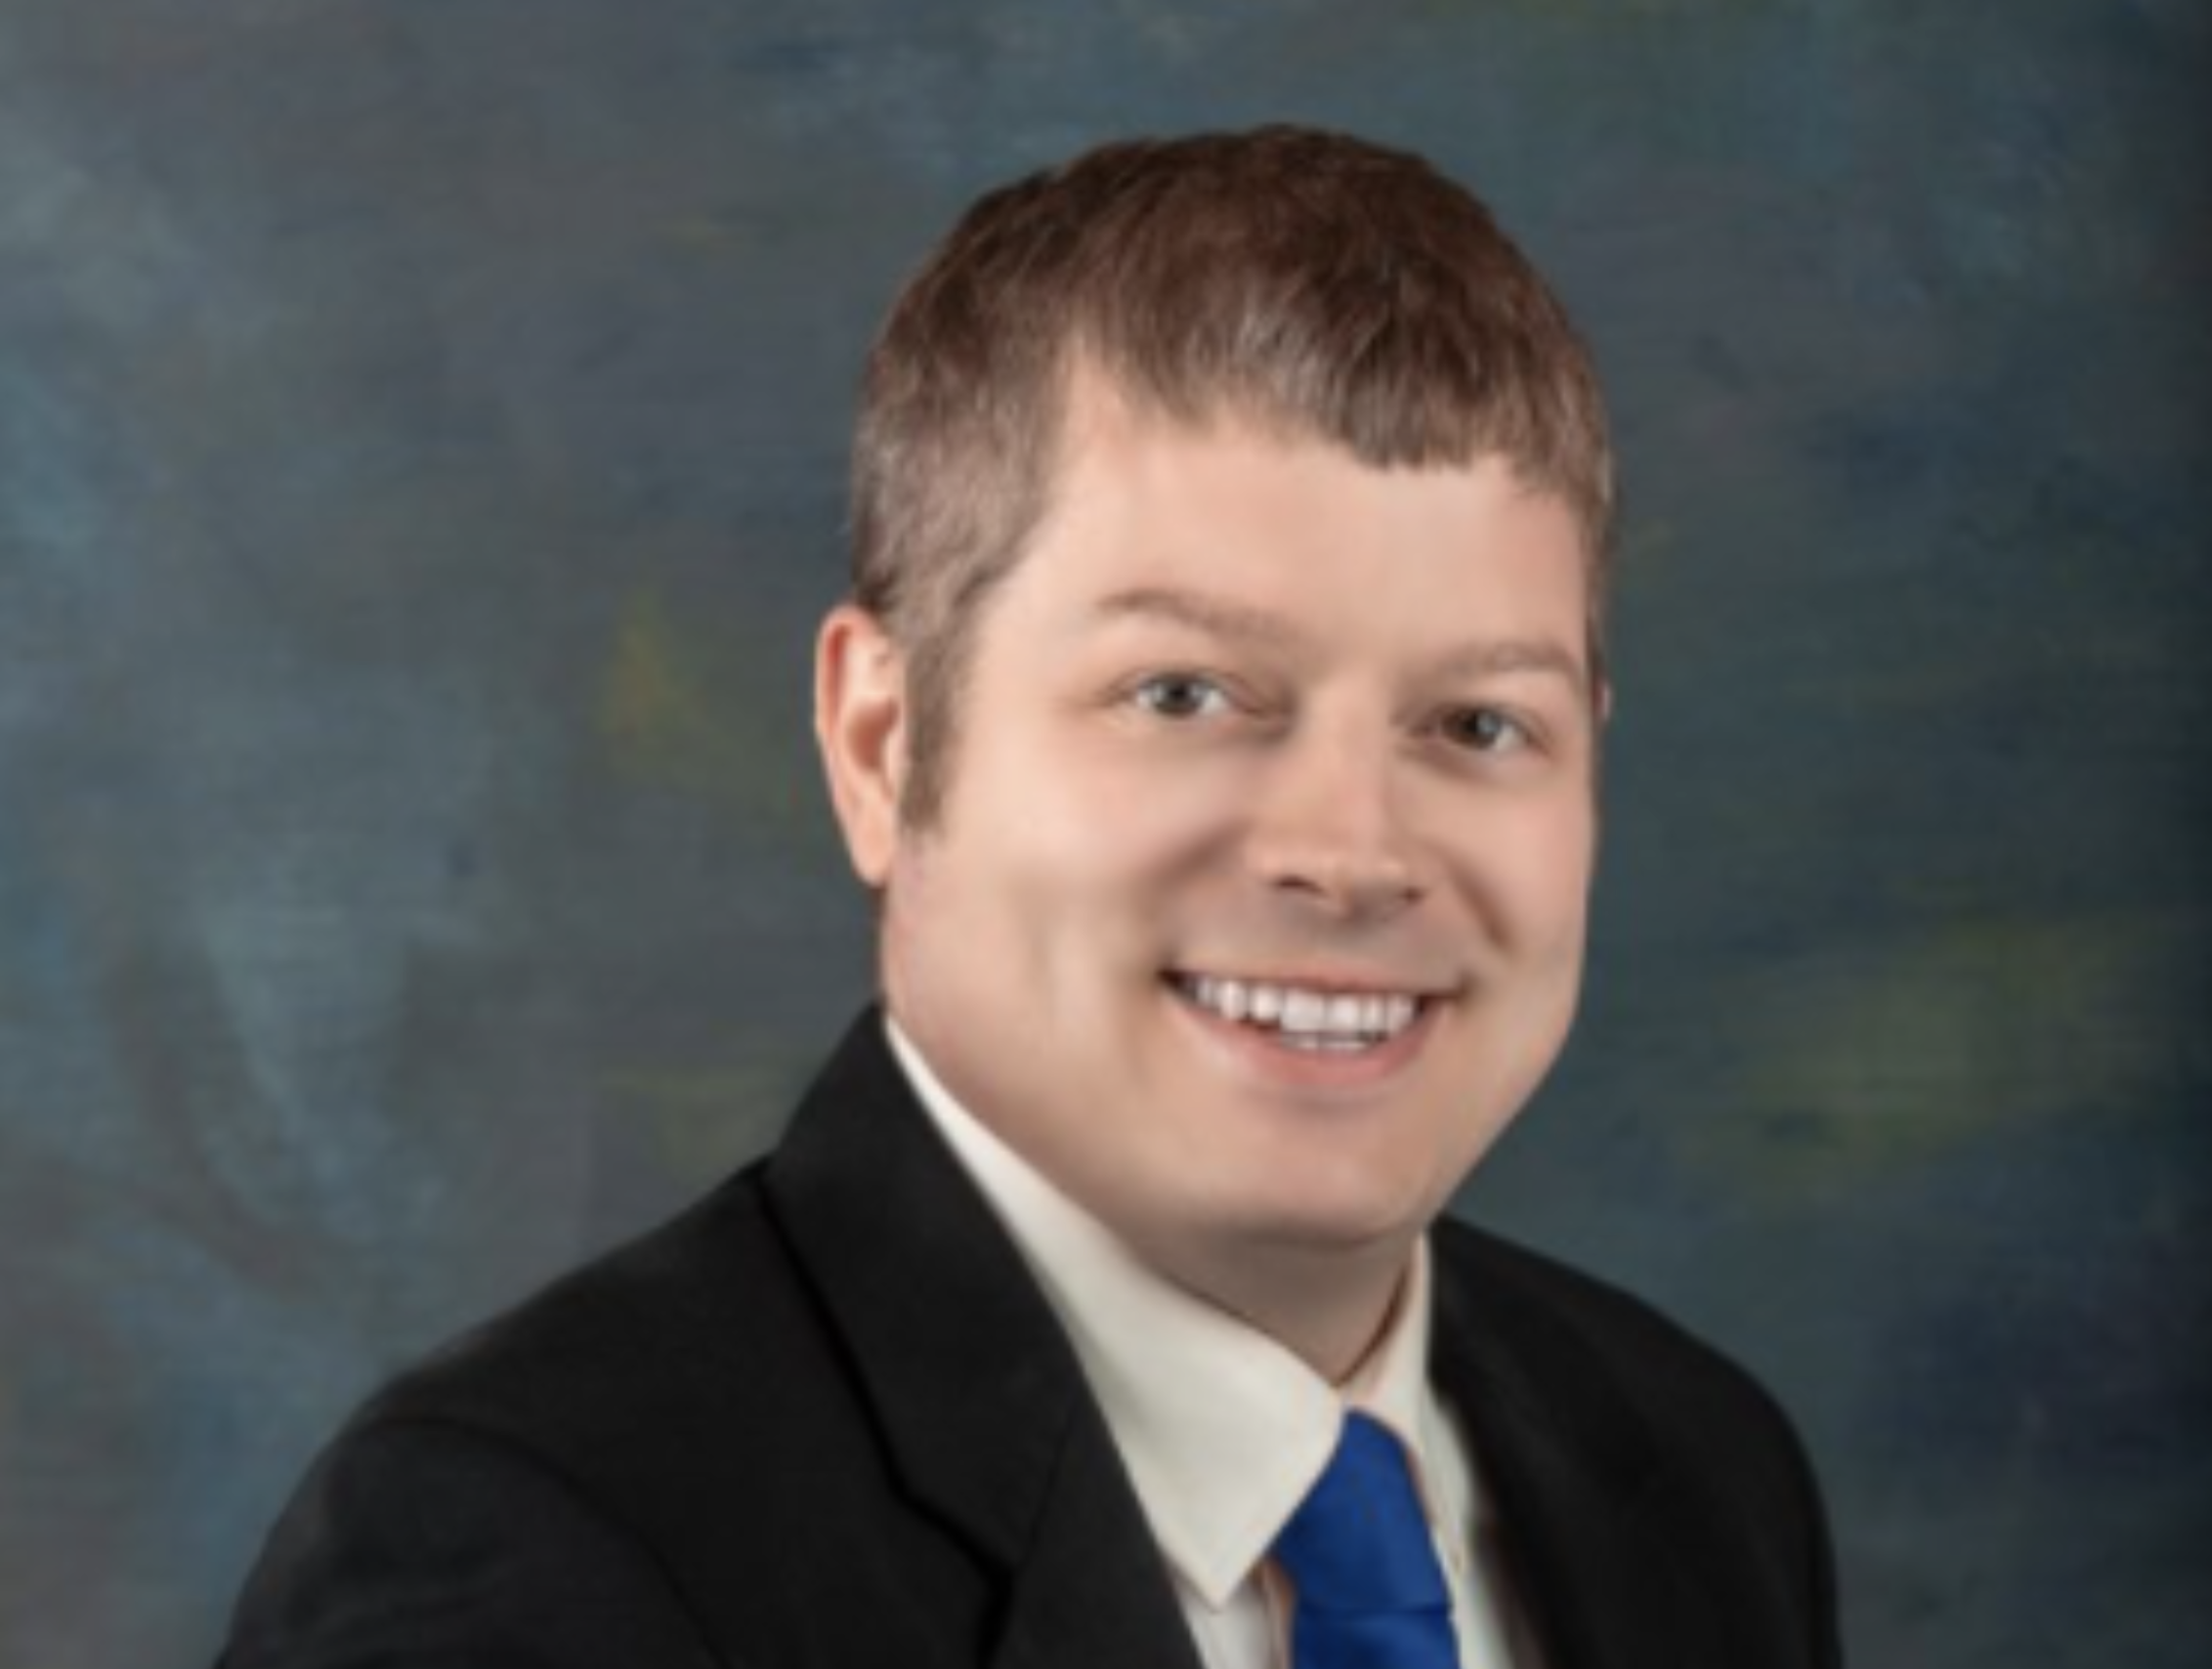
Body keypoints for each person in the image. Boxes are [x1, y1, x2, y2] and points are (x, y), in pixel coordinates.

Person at [220, 126, 1842, 1668]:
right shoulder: (537, 1551)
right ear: (882, 741)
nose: (1353, 853)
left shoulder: (1697, 1473)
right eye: (1188, 694)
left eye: (1479, 724)